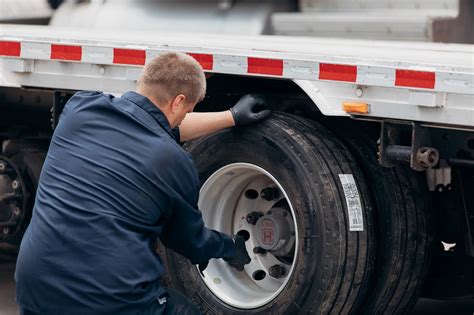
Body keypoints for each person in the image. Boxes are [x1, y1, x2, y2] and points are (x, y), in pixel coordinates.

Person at [15, 52, 270, 315]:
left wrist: (231, 116)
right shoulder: (174, 163)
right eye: (187, 110)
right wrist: (229, 247)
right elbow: (190, 242)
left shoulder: (80, 109)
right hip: (109, 301)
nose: (185, 117)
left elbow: (155, 124)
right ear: (179, 101)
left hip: (35, 288)